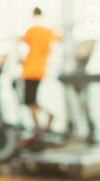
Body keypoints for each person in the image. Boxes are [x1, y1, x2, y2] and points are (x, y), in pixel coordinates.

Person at [18, 7, 62, 141]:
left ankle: (39, 128)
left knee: (30, 102)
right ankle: (41, 126)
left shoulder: (32, 30)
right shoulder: (48, 32)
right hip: (40, 69)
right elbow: (60, 37)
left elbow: (20, 41)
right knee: (32, 101)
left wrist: (22, 59)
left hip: (30, 70)